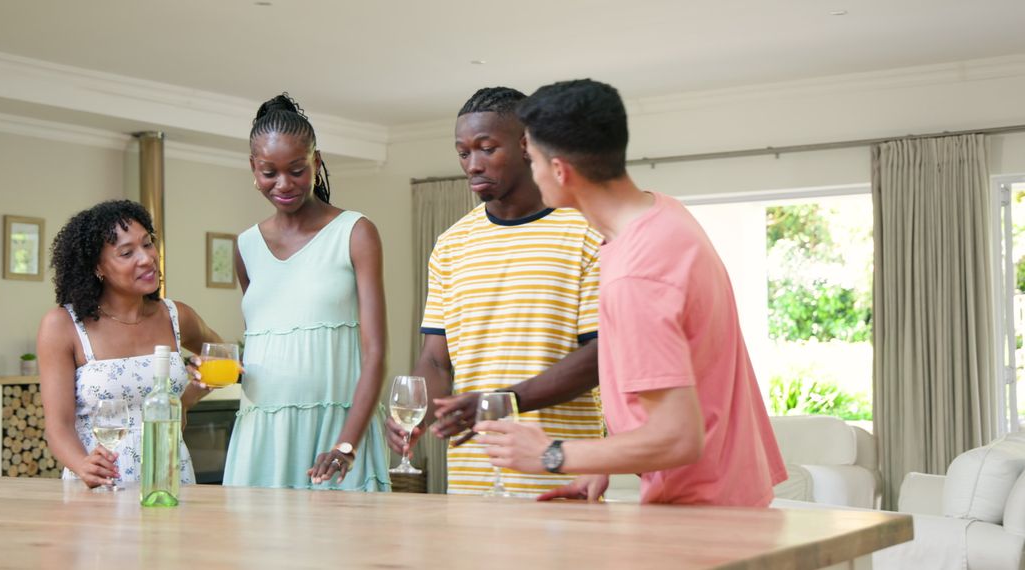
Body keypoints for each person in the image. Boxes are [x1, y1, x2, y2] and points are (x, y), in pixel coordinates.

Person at [477, 79, 787, 506]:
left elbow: (679, 438)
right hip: (736, 491)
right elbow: (691, 368)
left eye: (533, 161)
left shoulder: (636, 274)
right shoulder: (665, 214)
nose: (532, 173)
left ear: (560, 171)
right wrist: (601, 463)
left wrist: (552, 454)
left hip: (702, 517)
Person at [385, 87, 604, 497]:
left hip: (563, 478)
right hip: (473, 480)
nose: (473, 165)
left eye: (486, 149)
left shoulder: (587, 231)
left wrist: (501, 401)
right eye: (463, 153)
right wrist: (413, 418)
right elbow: (435, 359)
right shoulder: (451, 244)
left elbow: (600, 356)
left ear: (528, 146)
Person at [222, 93, 390, 491]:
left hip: (337, 436)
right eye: (269, 172)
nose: (283, 184)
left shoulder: (355, 232)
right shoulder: (246, 246)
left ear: (316, 162)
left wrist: (347, 444)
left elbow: (376, 353)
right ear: (253, 169)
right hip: (261, 435)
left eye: (297, 170)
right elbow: (261, 342)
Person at [38, 200, 222, 488]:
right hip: (101, 481)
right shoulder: (63, 326)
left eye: (148, 244)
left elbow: (223, 359)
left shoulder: (177, 316)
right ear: (97, 267)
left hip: (170, 474)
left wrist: (188, 398)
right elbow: (57, 426)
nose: (147, 258)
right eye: (127, 253)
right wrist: (82, 464)